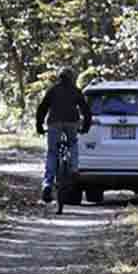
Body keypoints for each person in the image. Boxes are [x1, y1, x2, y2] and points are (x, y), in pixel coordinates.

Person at [36, 67, 92, 203]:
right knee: (73, 143)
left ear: (59, 78)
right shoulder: (75, 90)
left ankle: (48, 183)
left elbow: (42, 108)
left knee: (52, 152)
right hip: (72, 122)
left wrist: (39, 125)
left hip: (54, 122)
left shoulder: (53, 90)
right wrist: (85, 126)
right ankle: (74, 169)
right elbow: (85, 110)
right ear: (72, 78)